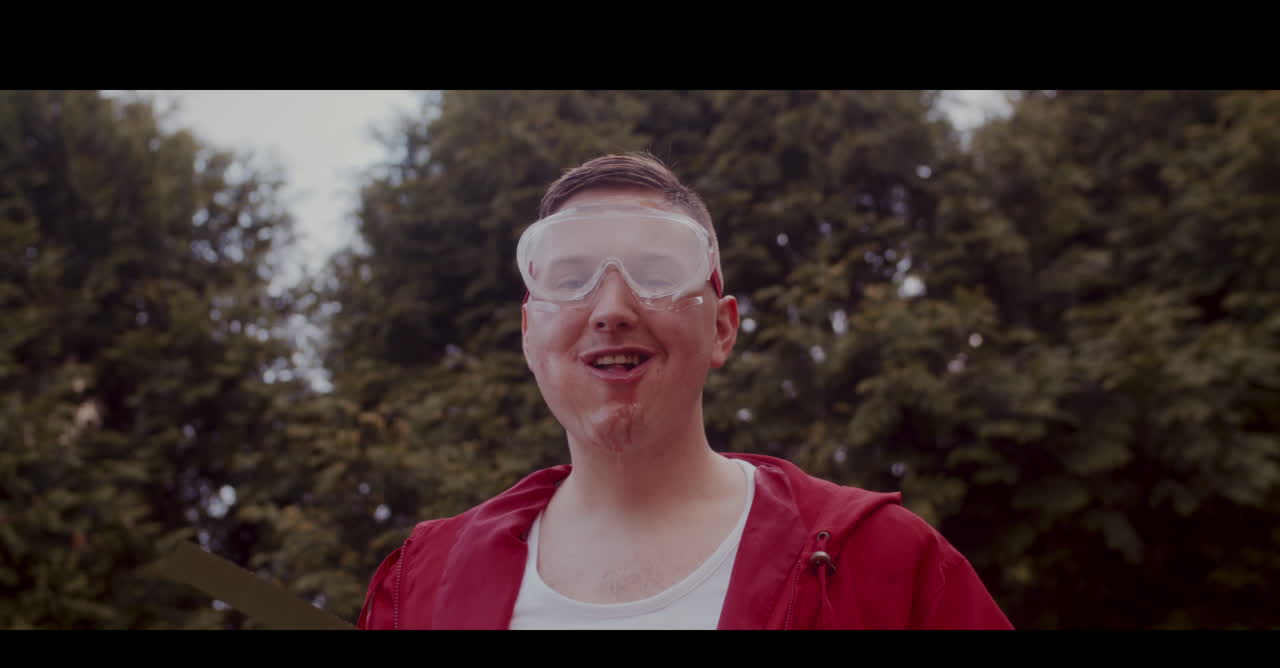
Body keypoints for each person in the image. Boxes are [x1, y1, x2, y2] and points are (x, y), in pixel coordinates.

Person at [358, 153, 1013, 630]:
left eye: (654, 273)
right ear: (530, 335)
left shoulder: (884, 566)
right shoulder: (420, 588)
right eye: (572, 278)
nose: (611, 308)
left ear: (722, 329)